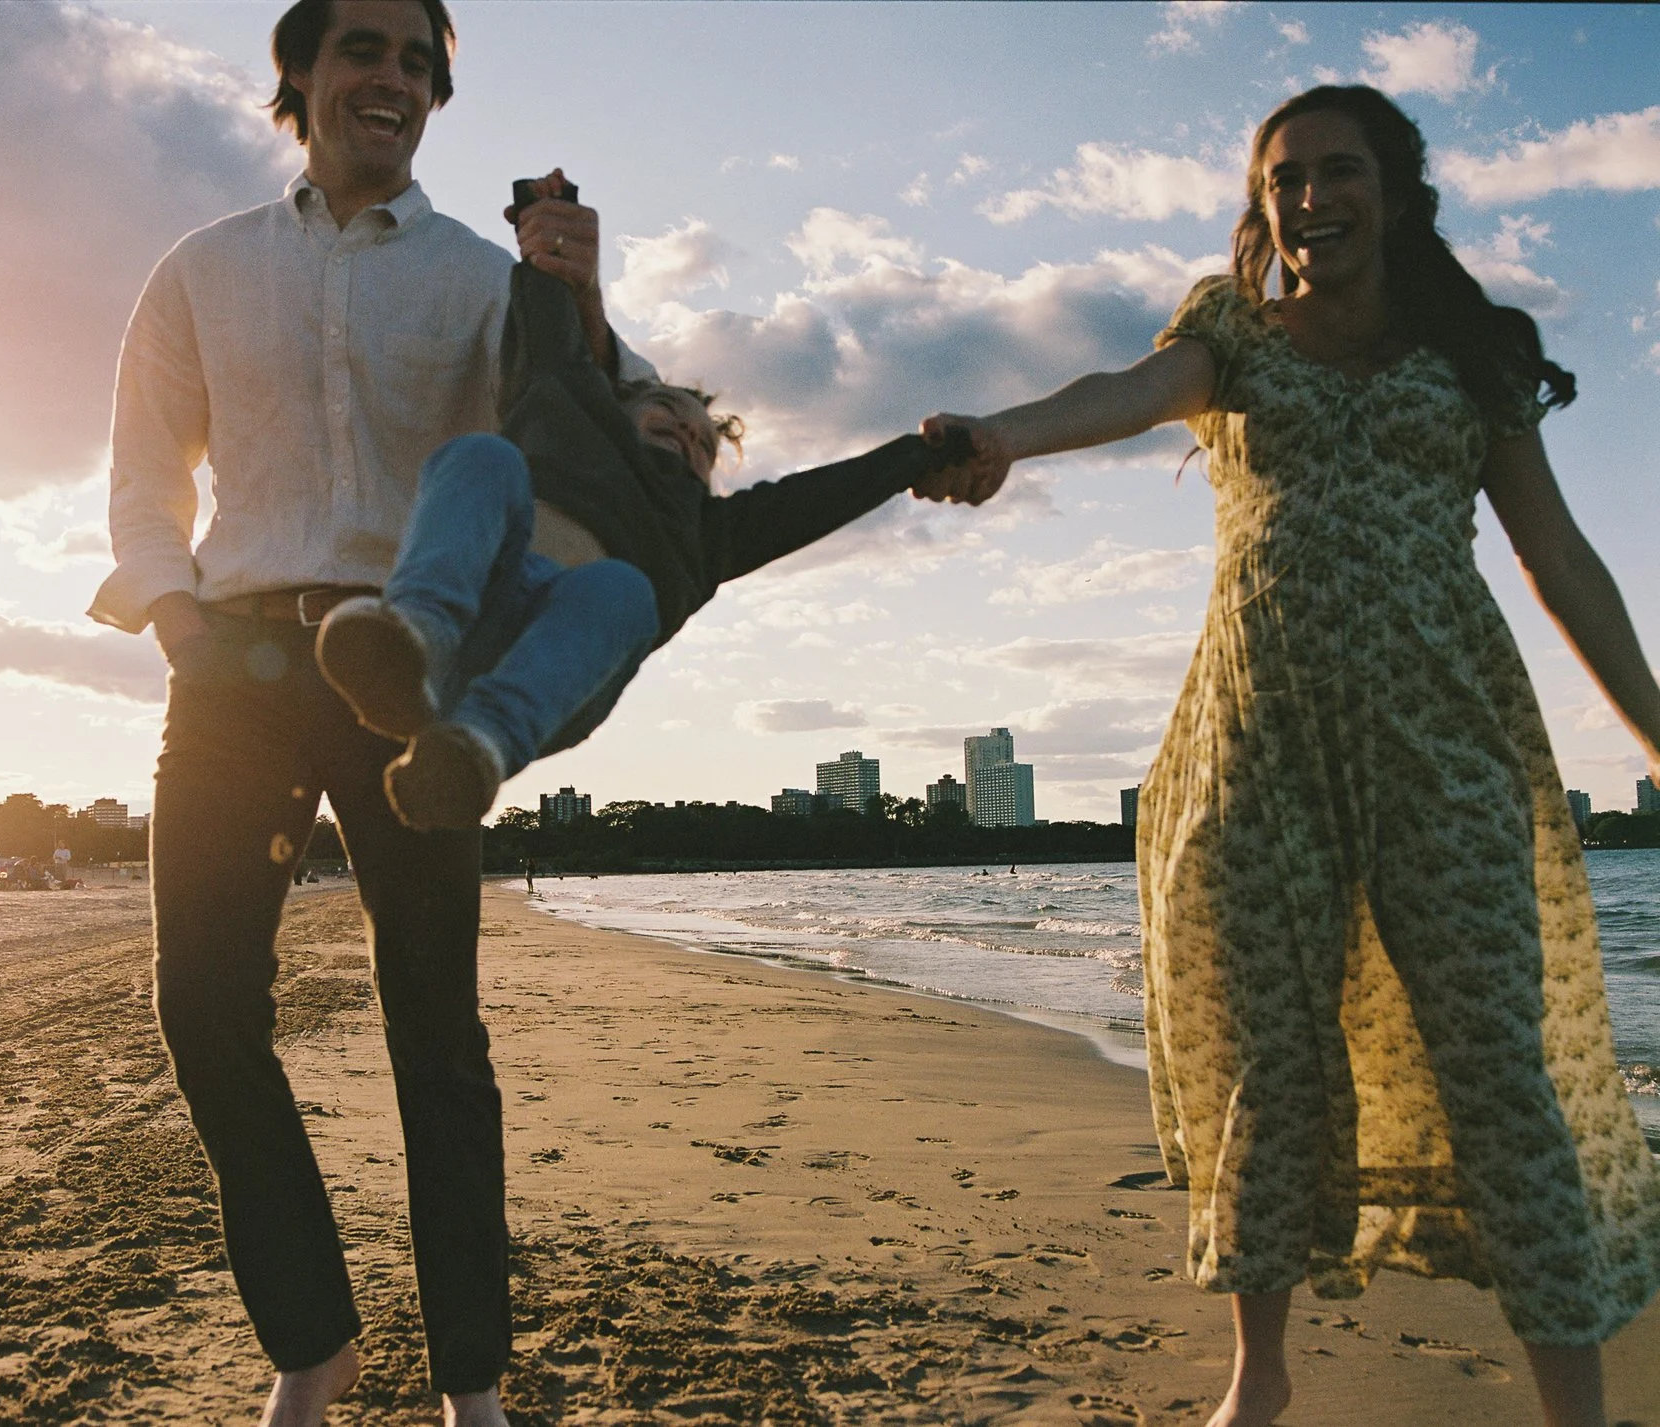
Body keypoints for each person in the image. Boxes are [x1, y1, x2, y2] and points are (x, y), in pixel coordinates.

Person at [924, 85, 1660, 1427]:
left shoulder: (1471, 359)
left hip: (1447, 746)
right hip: (1256, 746)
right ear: (1262, 203)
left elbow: (1559, 556)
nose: (1313, 197)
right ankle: (1255, 1380)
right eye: (1287, 178)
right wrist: (1004, 438)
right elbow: (1127, 390)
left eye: (1341, 171)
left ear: (1396, 189)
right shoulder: (1231, 337)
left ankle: (1580, 1411)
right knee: (1269, 1057)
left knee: (1502, 1071)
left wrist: (1657, 724)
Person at [84, 3, 652, 1424]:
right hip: (234, 666)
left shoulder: (479, 275)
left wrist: (577, 300)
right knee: (204, 1006)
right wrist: (175, 617)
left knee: (434, 1032)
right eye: (363, 50)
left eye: (416, 59)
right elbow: (147, 466)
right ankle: (314, 1342)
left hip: (409, 667)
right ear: (301, 76)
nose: (390, 77)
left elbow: (616, 429)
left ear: (435, 94)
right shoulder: (203, 267)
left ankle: (471, 1379)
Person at [312, 247, 969, 829]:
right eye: (672, 414)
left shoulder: (709, 532)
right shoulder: (569, 416)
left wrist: (917, 455)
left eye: (703, 447)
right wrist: (548, 249)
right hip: (477, 603)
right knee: (484, 457)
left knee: (623, 587)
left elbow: (816, 499)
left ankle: (475, 749)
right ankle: (415, 638)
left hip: (560, 668)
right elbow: (552, 342)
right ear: (618, 407)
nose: (688, 434)